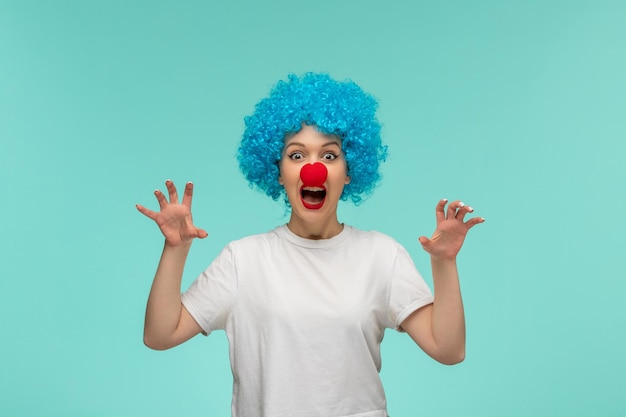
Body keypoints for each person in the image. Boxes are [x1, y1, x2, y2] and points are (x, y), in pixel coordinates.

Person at [136, 73, 484, 417]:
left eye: (329, 156)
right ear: (278, 171)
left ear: (349, 172)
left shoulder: (381, 255)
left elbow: (449, 350)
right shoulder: (243, 260)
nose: (313, 169)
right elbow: (160, 334)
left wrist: (444, 263)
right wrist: (175, 250)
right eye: (296, 155)